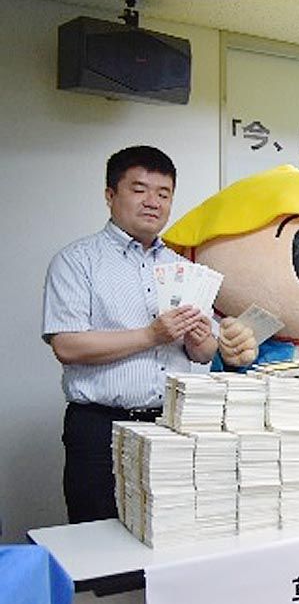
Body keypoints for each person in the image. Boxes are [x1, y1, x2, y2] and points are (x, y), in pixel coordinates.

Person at [42, 146, 217, 523]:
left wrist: (199, 338)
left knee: (171, 532)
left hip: (172, 425)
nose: (153, 202)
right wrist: (152, 335)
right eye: (139, 189)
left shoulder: (183, 268)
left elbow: (205, 353)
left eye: (163, 193)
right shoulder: (77, 261)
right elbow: (67, 345)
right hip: (100, 427)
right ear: (110, 195)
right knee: (97, 534)